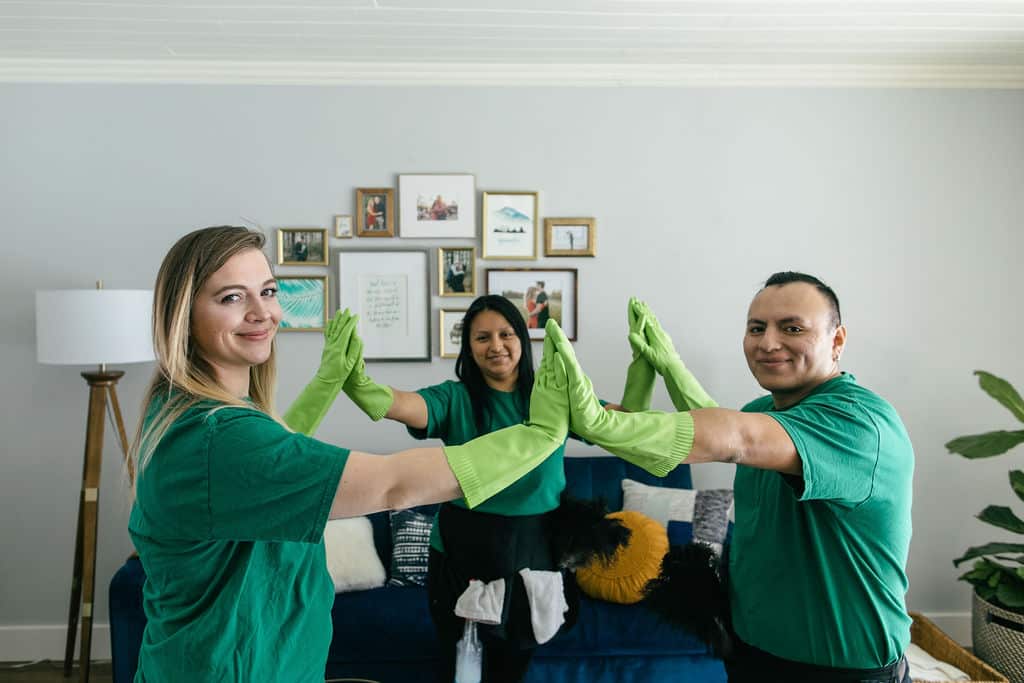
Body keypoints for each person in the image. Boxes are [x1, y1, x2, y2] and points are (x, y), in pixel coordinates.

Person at [127, 226, 572, 682]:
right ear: (182, 315)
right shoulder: (215, 436)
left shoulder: (215, 421)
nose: (263, 312)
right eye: (232, 298)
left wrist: (327, 381)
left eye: (268, 291)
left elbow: (273, 462)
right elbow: (393, 484)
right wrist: (543, 432)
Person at [546, 273, 915, 683]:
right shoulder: (770, 411)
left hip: (841, 671)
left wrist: (597, 423)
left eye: (792, 328)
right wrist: (666, 371)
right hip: (753, 650)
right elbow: (717, 425)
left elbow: (737, 438)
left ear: (837, 340)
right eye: (757, 328)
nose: (768, 343)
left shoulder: (857, 423)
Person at [304, 294, 625, 683]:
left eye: (506, 334)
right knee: (461, 663)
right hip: (462, 548)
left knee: (514, 660)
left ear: (523, 339)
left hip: (534, 546)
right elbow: (404, 405)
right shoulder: (456, 398)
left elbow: (625, 426)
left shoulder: (554, 397)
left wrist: (646, 370)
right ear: (468, 347)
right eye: (482, 337)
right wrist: (357, 382)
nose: (496, 346)